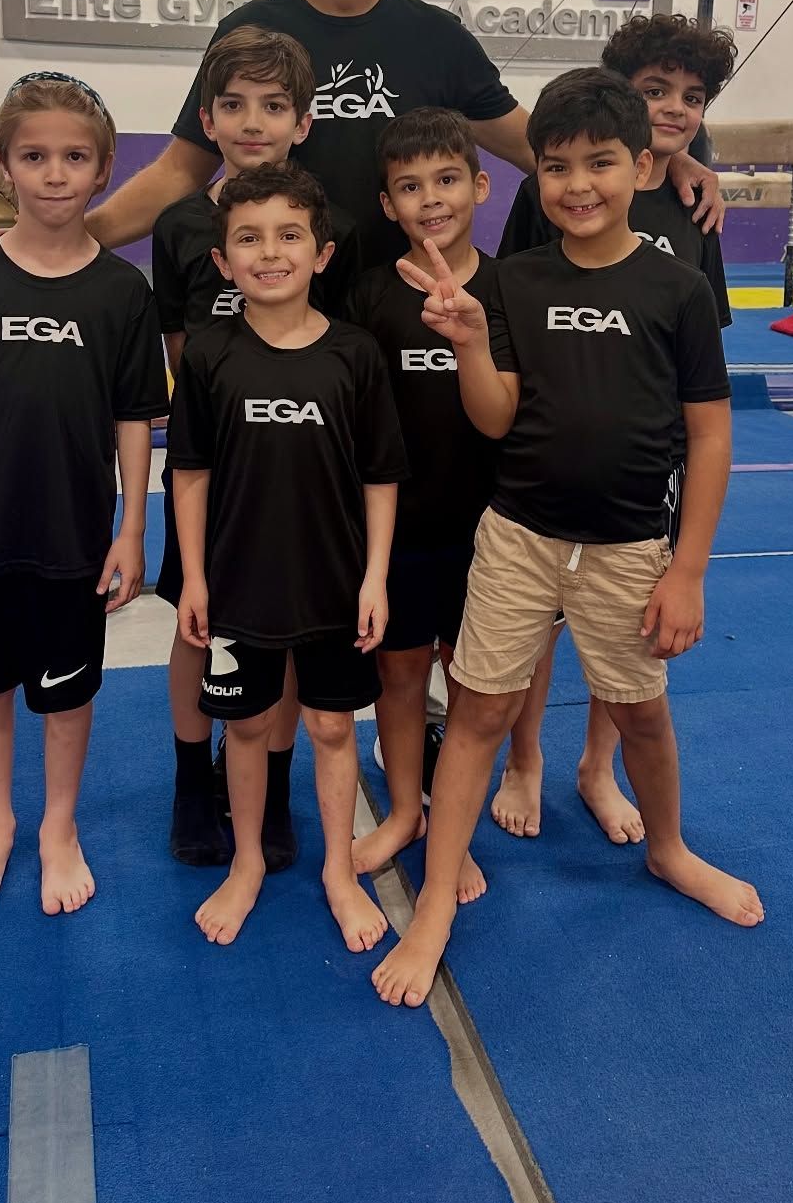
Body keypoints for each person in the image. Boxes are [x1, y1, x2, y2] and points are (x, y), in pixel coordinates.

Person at [372, 68, 762, 1010]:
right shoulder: (515, 282)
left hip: (630, 545)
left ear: (644, 165)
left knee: (642, 712)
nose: (577, 185)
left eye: (599, 164)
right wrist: (470, 339)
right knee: (477, 711)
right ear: (533, 176)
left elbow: (710, 434)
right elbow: (498, 418)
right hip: (519, 536)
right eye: (555, 168)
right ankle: (435, 901)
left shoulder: (677, 290)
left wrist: (690, 570)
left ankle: (669, 849)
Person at [56, 0, 725, 267]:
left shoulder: (435, 39)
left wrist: (664, 166)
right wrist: (64, 239)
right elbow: (180, 172)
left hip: (401, 309)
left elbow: (541, 147)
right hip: (281, 298)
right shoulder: (250, 35)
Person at [0, 73, 168, 916]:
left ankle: (59, 825)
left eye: (74, 158)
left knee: (67, 695)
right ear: (3, 164)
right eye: (34, 156)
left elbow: (136, 420)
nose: (54, 174)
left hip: (74, 537)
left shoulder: (123, 292)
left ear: (102, 171)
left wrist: (132, 531)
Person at [492, 12, 738, 847]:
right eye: (654, 92)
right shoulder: (554, 195)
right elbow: (517, 302)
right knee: (539, 620)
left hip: (644, 470)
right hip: (542, 465)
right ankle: (525, 755)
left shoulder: (696, 207)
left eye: (691, 98)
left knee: (618, 633)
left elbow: (702, 381)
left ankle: (596, 766)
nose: (672, 109)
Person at [168, 163, 409, 949]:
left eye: (289, 236)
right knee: (243, 729)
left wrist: (374, 577)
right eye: (249, 238)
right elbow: (191, 473)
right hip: (240, 583)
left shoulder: (355, 354)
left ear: (322, 253)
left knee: (333, 728)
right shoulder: (206, 354)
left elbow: (380, 477)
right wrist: (197, 577)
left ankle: (339, 869)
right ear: (223, 262)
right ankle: (246, 862)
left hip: (335, 585)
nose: (270, 253)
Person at [154, 24, 356, 872]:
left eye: (274, 106)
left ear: (303, 122)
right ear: (207, 118)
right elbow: (177, 349)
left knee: (280, 632)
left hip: (295, 475)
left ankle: (272, 784)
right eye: (232, 105)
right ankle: (190, 779)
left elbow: (328, 343)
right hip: (215, 468)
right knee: (199, 627)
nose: (252, 122)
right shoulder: (178, 229)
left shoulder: (325, 223)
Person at [345, 109, 498, 903]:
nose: (430, 200)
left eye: (445, 180)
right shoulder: (370, 298)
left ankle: (453, 825)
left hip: (488, 534)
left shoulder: (507, 289)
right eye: (410, 187)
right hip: (398, 533)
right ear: (386, 204)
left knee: (471, 685)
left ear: (479, 184)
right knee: (399, 675)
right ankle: (406, 809)